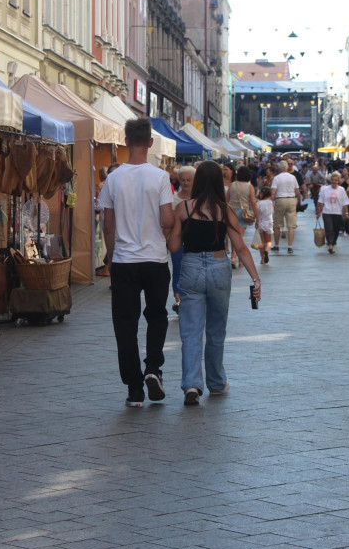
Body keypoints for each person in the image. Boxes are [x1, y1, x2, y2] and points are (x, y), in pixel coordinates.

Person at [167, 161, 261, 405]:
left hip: (190, 268)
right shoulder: (225, 210)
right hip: (219, 267)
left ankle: (191, 384)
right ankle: (217, 383)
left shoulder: (183, 209)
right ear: (219, 184)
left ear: (197, 183)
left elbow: (174, 246)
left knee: (190, 331)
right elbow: (239, 247)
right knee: (216, 329)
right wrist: (255, 277)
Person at [100, 118, 176, 407]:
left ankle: (134, 388)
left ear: (125, 140)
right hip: (155, 259)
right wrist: (166, 231)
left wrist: (110, 256)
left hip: (124, 261)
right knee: (156, 316)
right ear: (151, 143)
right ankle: (153, 369)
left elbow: (108, 225)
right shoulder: (159, 177)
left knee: (125, 324)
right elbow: (167, 219)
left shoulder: (113, 178)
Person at [171, 165, 196, 312]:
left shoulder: (200, 199)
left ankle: (192, 300)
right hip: (179, 240)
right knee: (178, 269)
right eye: (183, 180)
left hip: (196, 241)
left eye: (189, 180)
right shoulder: (173, 199)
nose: (185, 183)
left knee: (193, 270)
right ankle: (179, 300)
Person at [227, 166, 259, 269]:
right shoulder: (249, 186)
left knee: (233, 236)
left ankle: (234, 256)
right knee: (239, 237)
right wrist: (257, 217)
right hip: (243, 213)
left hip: (231, 211)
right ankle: (236, 257)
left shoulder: (232, 185)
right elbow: (253, 202)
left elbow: (227, 200)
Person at [315, 171, 349, 254]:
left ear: (338, 181)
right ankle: (330, 245)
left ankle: (333, 242)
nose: (334, 181)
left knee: (335, 230)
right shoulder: (325, 190)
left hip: (337, 213)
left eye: (336, 180)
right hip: (327, 212)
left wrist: (346, 213)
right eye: (332, 180)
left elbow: (345, 202)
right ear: (330, 180)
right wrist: (318, 212)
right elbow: (321, 202)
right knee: (329, 229)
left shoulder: (341, 190)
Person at [271, 161, 301, 253]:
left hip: (280, 200)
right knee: (291, 225)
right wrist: (298, 202)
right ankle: (290, 246)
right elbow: (298, 192)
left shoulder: (276, 178)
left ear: (279, 168)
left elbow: (273, 192)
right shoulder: (293, 177)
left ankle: (276, 245)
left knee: (277, 225)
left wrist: (272, 203)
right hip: (291, 199)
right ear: (287, 168)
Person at [256, 186, 274, 264]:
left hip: (260, 223)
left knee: (262, 242)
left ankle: (262, 259)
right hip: (269, 223)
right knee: (269, 242)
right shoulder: (271, 202)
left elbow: (256, 213)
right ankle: (266, 251)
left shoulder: (258, 203)